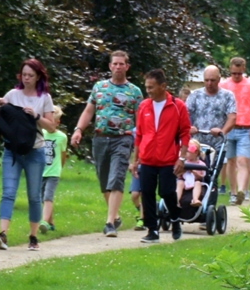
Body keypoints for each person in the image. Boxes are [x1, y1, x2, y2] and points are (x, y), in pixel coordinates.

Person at [69, 50, 143, 237]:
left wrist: (140, 146)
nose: (118, 67)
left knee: (116, 178)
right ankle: (115, 216)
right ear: (110, 66)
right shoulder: (99, 87)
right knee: (104, 180)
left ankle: (109, 223)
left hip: (123, 138)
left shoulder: (135, 92)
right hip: (101, 138)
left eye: (121, 64)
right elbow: (89, 111)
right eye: (115, 64)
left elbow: (141, 121)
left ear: (127, 67)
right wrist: (78, 130)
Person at [0, 58, 56, 251]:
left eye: (30, 75)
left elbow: (51, 127)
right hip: (12, 151)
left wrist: (36, 116)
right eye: (24, 75)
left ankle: (33, 236)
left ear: (38, 77)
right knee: (8, 192)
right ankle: (2, 234)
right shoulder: (12, 95)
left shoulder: (44, 98)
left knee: (34, 196)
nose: (26, 78)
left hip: (35, 151)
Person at [129, 69, 191, 243]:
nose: (148, 90)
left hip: (168, 158)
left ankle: (175, 218)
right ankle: (152, 230)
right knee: (147, 193)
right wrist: (135, 160)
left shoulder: (177, 106)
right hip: (147, 158)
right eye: (146, 87)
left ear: (163, 86)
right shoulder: (144, 106)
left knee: (166, 192)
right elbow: (139, 134)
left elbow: (185, 133)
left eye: (151, 87)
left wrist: (182, 158)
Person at [219, 57, 250, 206]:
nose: (236, 76)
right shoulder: (223, 85)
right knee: (230, 161)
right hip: (229, 128)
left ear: (243, 70)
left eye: (239, 73)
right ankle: (232, 192)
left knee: (242, 160)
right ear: (230, 70)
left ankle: (241, 190)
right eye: (234, 73)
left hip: (245, 129)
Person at [185, 64, 237, 171]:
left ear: (219, 79)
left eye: (212, 80)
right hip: (196, 144)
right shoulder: (195, 95)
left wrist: (222, 131)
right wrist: (188, 128)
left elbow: (232, 118)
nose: (209, 83)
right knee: (194, 172)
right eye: (206, 80)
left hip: (217, 143)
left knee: (212, 173)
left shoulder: (227, 96)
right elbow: (184, 114)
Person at [40, 106, 68, 233]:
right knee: (42, 197)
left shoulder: (62, 137)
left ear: (57, 122)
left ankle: (44, 222)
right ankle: (51, 222)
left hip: (53, 172)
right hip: (41, 171)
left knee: (48, 196)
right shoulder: (41, 133)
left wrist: (59, 168)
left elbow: (63, 155)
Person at [177, 140, 205, 207]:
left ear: (195, 153)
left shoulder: (201, 164)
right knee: (180, 182)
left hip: (195, 181)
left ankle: (195, 199)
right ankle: (176, 201)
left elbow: (202, 177)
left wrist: (194, 172)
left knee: (198, 183)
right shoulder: (183, 162)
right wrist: (182, 171)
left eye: (187, 152)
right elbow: (178, 175)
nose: (185, 153)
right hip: (184, 181)